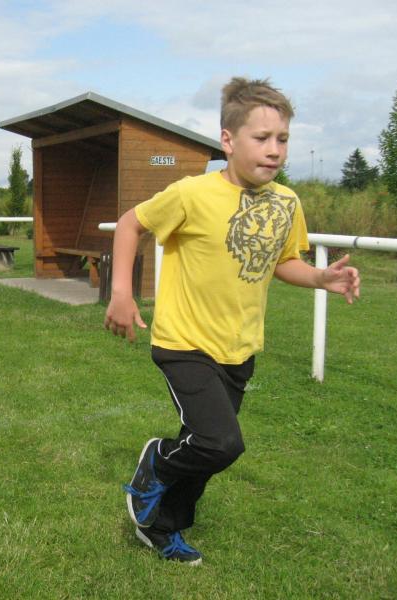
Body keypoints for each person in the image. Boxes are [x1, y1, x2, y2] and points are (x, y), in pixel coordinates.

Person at [104, 77, 360, 565]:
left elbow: (283, 260)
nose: (274, 150)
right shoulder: (191, 193)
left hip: (239, 348)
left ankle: (161, 527)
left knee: (203, 454)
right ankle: (155, 463)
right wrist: (120, 292)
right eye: (261, 138)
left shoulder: (287, 202)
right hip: (184, 343)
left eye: (282, 139)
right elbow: (131, 223)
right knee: (219, 443)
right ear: (228, 140)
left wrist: (320, 277)